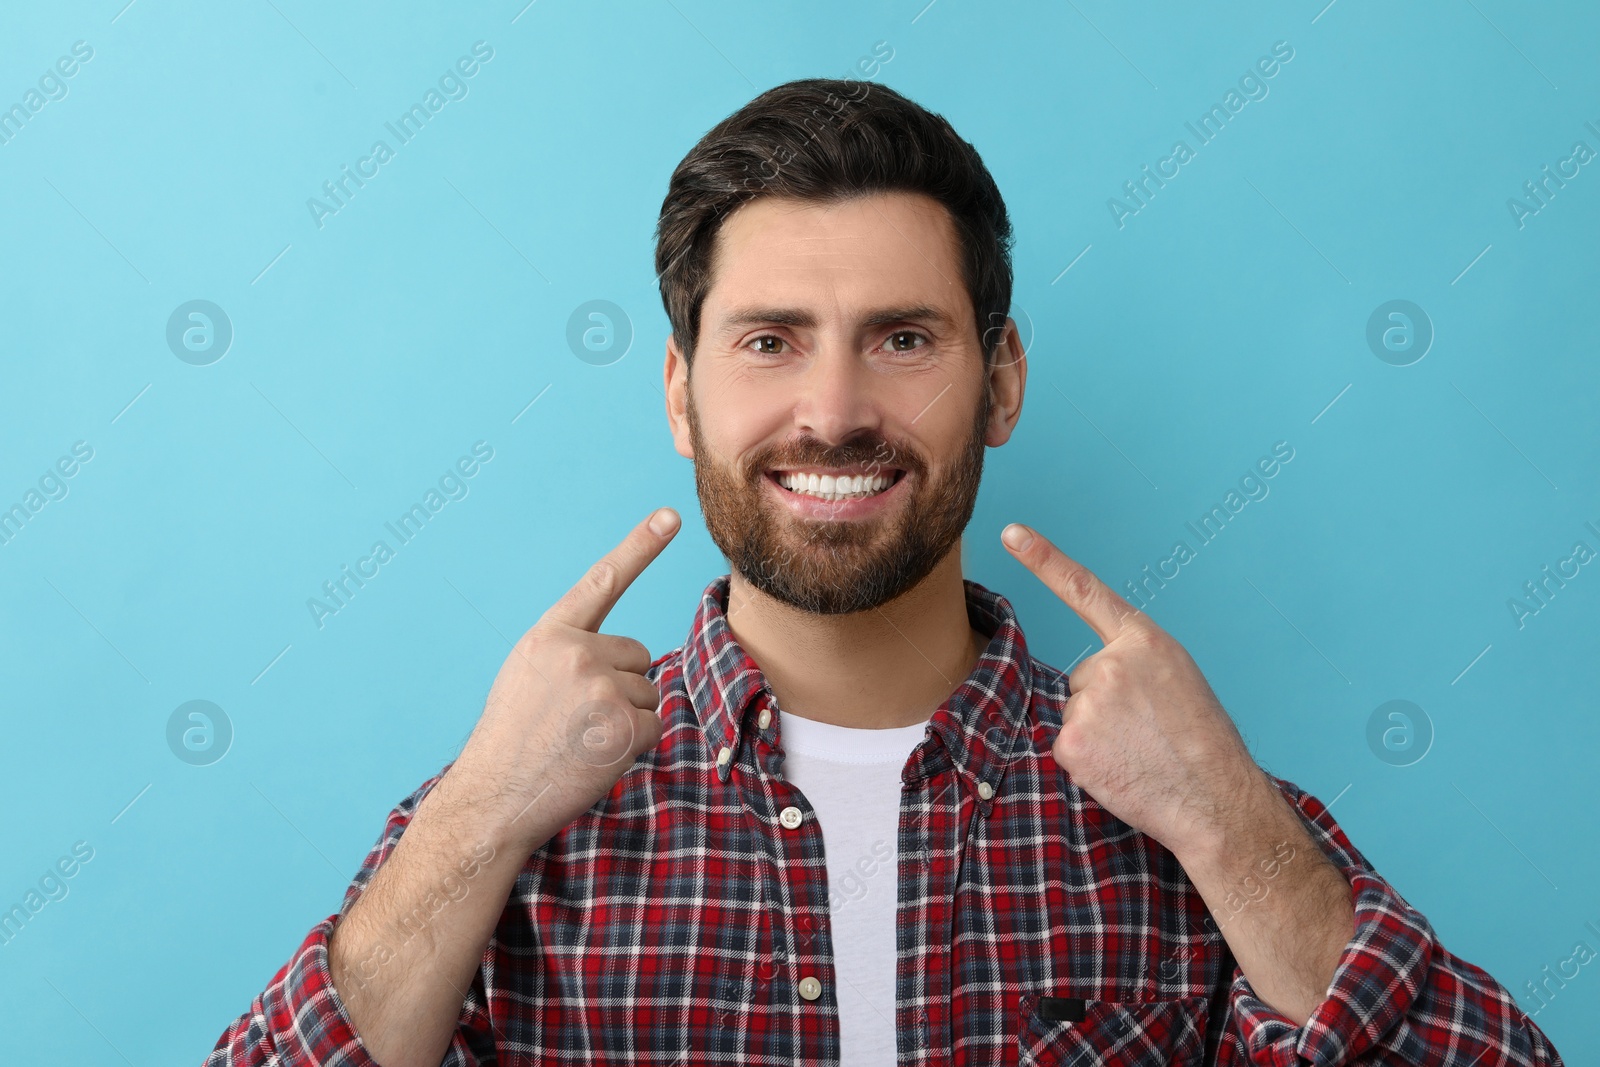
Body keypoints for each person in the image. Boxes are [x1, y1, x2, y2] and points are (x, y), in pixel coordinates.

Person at [203, 77, 1564, 1066]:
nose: (838, 410)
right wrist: (476, 819)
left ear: (1003, 380)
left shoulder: (1187, 812)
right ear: (680, 396)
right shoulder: (507, 820)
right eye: (769, 342)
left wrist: (1237, 838)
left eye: (904, 339)